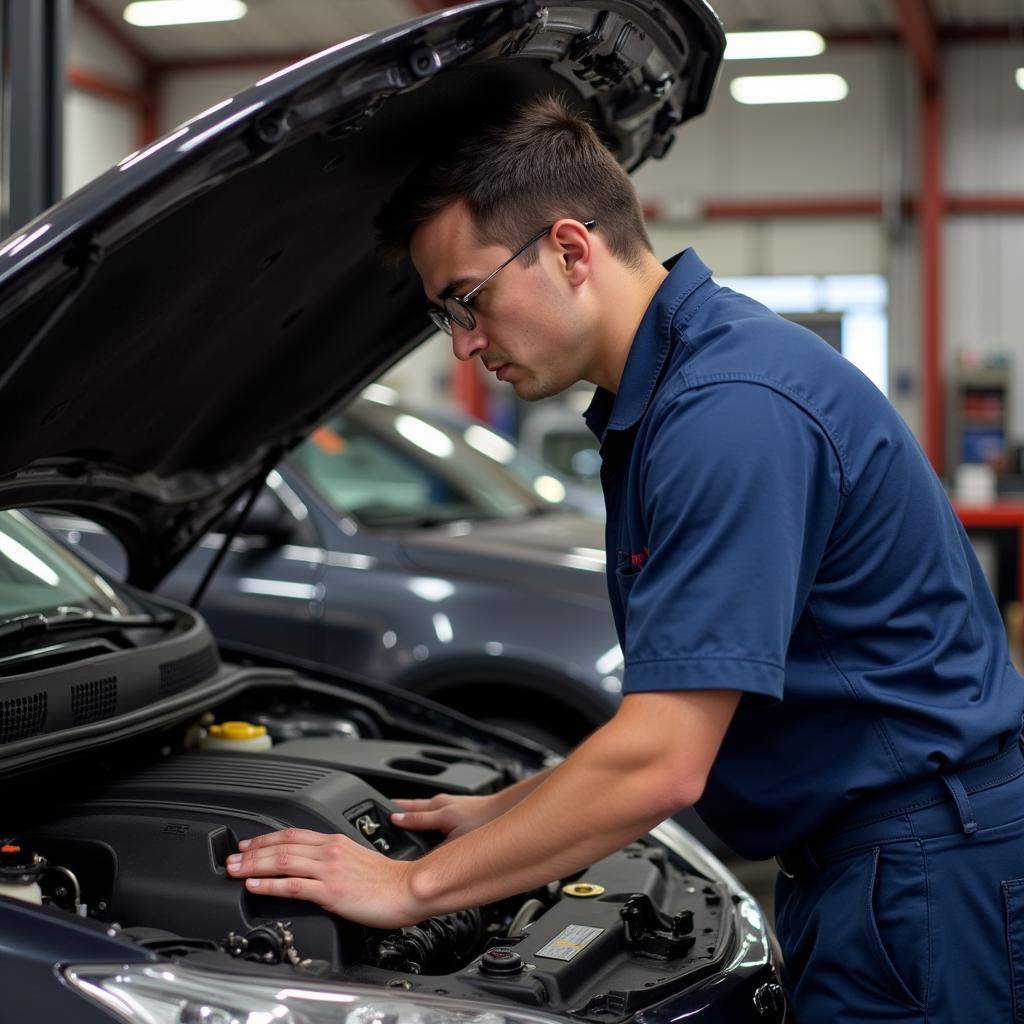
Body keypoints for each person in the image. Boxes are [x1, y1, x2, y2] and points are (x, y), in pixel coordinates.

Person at [227, 95, 1024, 1022]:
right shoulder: (684, 387)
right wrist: (502, 814)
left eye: (467, 300)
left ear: (570, 249)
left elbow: (660, 762)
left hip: (917, 870)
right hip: (875, 858)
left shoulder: (728, 408)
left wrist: (411, 890)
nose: (466, 340)